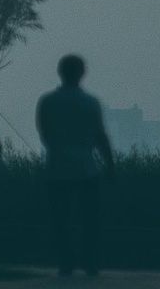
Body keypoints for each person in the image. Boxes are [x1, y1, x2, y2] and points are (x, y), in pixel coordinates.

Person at [36, 54, 115, 277]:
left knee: (60, 219)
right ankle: (90, 262)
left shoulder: (47, 102)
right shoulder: (90, 103)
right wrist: (110, 164)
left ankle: (66, 263)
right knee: (90, 219)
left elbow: (45, 134)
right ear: (82, 73)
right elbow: (101, 137)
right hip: (86, 168)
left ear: (60, 72)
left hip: (57, 167)